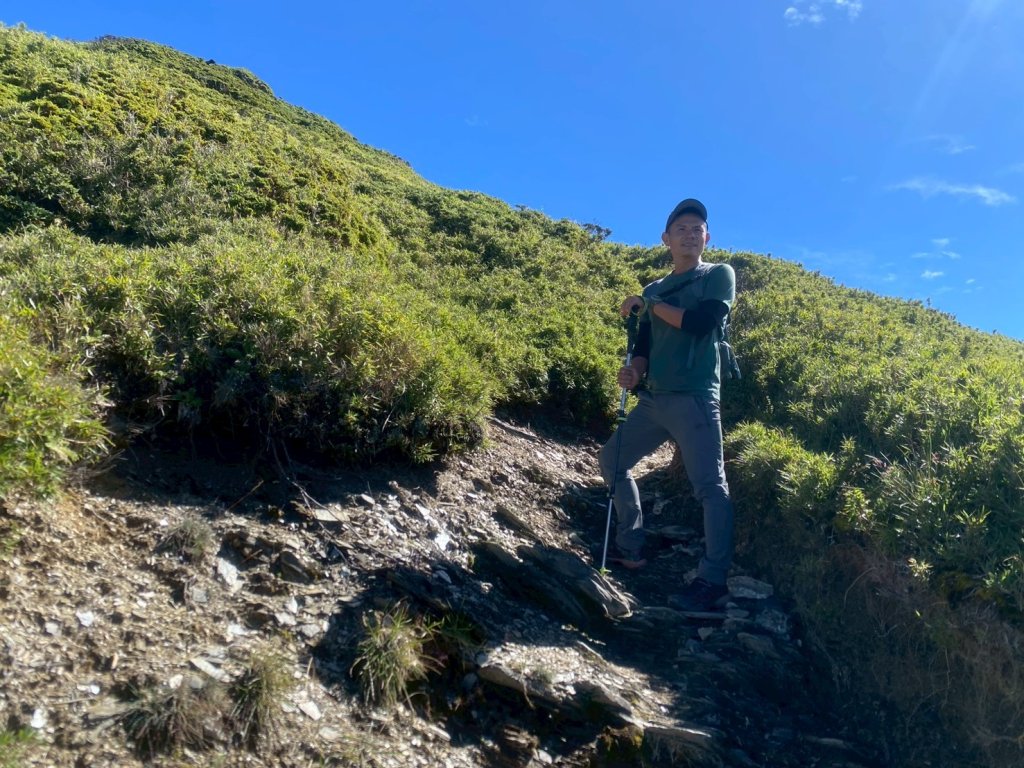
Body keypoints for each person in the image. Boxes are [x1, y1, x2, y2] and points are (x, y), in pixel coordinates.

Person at [598, 198, 736, 612]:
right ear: (666, 240)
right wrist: (635, 373)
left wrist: (649, 305)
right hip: (655, 400)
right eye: (682, 229)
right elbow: (644, 346)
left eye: (698, 228)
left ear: (707, 237)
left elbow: (700, 325)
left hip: (696, 399)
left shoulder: (718, 275)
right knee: (611, 461)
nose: (691, 233)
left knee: (711, 488)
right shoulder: (653, 290)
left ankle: (713, 579)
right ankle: (631, 545)